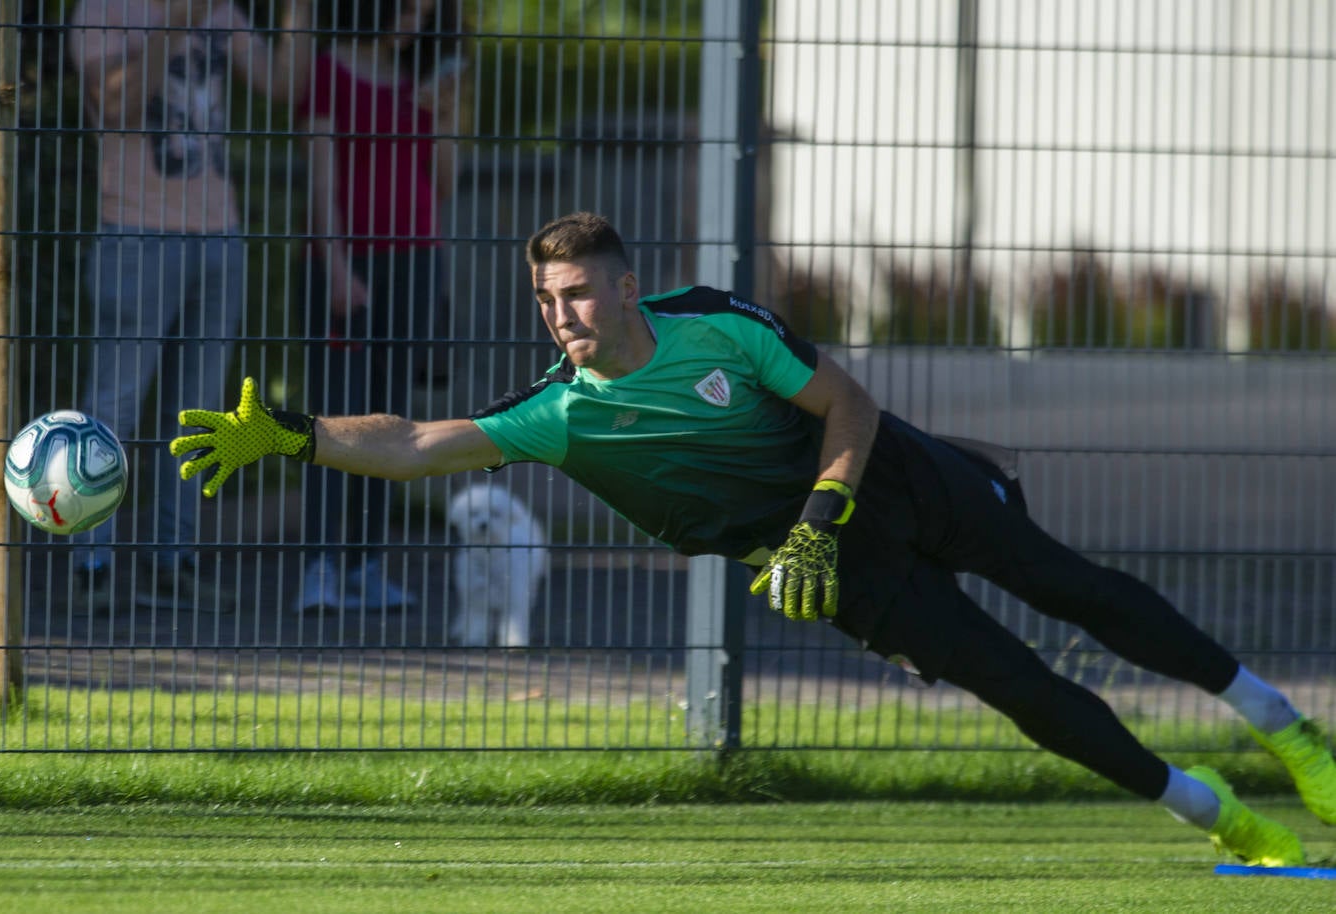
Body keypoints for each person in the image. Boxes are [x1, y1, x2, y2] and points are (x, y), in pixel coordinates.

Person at [170, 211, 1335, 867]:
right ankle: (1221, 817)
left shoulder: (718, 326)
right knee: (1018, 685)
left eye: (577, 293)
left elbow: (851, 407)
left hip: (892, 485)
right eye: (546, 301)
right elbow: (421, 440)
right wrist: (301, 434)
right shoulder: (560, 414)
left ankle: (1285, 728)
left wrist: (823, 516)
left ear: (627, 290)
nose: (561, 316)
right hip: (825, 570)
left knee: (1075, 588)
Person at [66, 0, 311, 608]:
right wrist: (178, 18)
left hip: (220, 236)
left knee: (198, 414)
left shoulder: (220, 10)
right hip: (134, 233)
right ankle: (89, 569)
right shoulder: (101, 9)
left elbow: (285, 86)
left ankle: (172, 562)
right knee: (114, 405)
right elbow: (115, 106)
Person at [293, 0, 462, 614]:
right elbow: (320, 177)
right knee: (331, 417)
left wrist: (445, 119)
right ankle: (319, 567)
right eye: (407, 7)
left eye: (424, 11)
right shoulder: (327, 71)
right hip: (342, 265)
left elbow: (442, 184)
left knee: (395, 420)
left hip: (415, 263)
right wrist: (336, 266)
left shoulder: (423, 81)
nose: (415, 19)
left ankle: (367, 565)